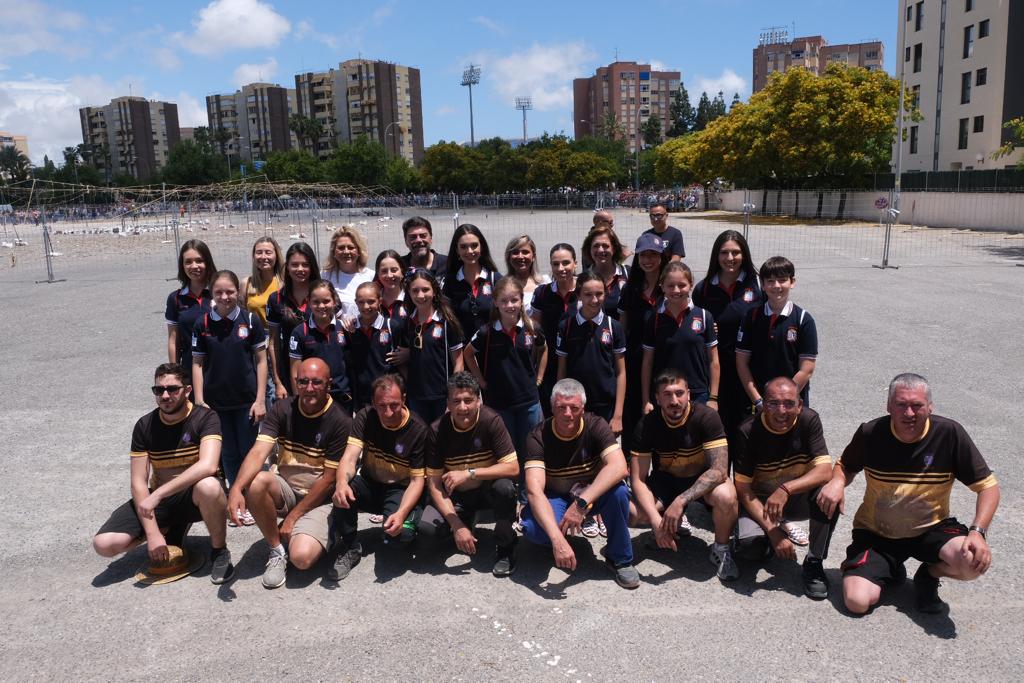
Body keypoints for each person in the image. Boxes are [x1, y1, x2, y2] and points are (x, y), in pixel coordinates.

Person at [818, 373, 1000, 615]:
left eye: (917, 406)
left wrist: (978, 532)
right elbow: (846, 466)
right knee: (857, 602)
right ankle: (891, 569)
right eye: (901, 405)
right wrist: (837, 482)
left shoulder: (949, 434)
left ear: (930, 407)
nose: (909, 413)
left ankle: (930, 573)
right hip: (877, 533)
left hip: (931, 529)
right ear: (889, 405)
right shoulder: (871, 432)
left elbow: (988, 486)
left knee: (972, 563)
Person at [93, 363, 234, 585]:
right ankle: (166, 528)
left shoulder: (206, 417)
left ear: (187, 391)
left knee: (209, 485)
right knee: (104, 544)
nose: (165, 395)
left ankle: (219, 551)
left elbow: (208, 465)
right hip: (161, 500)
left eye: (172, 389)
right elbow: (138, 482)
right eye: (159, 390)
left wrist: (158, 495)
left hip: (194, 498)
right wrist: (152, 533)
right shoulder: (144, 425)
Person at [226, 359, 352, 588]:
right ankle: (276, 551)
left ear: (329, 385)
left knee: (302, 559)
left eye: (317, 382)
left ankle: (335, 532)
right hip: (288, 488)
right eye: (303, 382)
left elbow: (328, 480)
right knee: (256, 482)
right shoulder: (282, 409)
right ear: (296, 382)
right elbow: (258, 453)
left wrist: (293, 517)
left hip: (321, 498)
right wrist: (236, 488)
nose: (309, 388)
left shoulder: (340, 420)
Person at [520, 379, 639, 589]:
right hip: (555, 496)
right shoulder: (537, 436)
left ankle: (620, 558)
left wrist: (581, 504)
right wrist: (557, 540)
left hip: (588, 494)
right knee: (533, 529)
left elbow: (619, 467)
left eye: (574, 408)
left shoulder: (596, 425)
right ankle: (558, 539)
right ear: (552, 407)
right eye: (561, 407)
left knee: (619, 493)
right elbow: (533, 490)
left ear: (582, 408)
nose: (568, 414)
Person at [628, 370, 739, 581]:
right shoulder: (647, 424)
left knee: (727, 496)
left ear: (689, 394)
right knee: (632, 513)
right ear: (657, 398)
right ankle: (665, 527)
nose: (674, 400)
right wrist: (654, 521)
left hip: (702, 480)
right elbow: (638, 479)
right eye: (667, 394)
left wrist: (681, 500)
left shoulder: (707, 417)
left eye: (679, 393)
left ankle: (721, 548)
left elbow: (720, 470)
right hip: (666, 481)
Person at [733, 377, 837, 599]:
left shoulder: (809, 420)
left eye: (789, 403)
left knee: (831, 495)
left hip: (795, 496)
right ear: (763, 404)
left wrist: (786, 489)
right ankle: (772, 532)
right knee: (749, 549)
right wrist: (773, 532)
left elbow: (824, 471)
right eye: (773, 403)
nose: (781, 411)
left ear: (800, 405)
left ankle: (814, 561)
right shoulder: (747, 430)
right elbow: (743, 489)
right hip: (762, 501)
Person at [331, 374, 434, 580]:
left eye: (394, 405)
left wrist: (402, 513)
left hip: (401, 488)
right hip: (370, 482)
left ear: (404, 399)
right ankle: (351, 546)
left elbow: (416, 481)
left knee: (398, 538)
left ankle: (411, 518)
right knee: (343, 490)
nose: (387, 413)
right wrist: (341, 483)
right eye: (381, 406)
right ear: (373, 403)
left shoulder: (419, 429)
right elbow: (350, 457)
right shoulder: (364, 416)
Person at [425, 372, 520, 576]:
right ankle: (464, 520)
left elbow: (513, 468)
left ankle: (505, 546)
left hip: (486, 491)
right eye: (456, 401)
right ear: (448, 404)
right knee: (426, 530)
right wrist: (456, 525)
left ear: (479, 401)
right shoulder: (437, 430)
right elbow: (433, 484)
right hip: (456, 494)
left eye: (468, 400)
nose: (462, 408)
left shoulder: (491, 420)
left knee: (505, 488)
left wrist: (470, 473)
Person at [191, 270, 268, 488]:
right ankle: (236, 496)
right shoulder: (202, 323)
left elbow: (262, 362)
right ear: (212, 294)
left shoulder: (250, 320)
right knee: (228, 453)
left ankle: (253, 496)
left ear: (238, 292)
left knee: (248, 450)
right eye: (219, 292)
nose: (225, 297)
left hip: (247, 400)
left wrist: (260, 400)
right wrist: (199, 400)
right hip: (216, 402)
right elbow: (197, 363)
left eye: (230, 292)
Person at [464, 276, 546, 465]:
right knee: (507, 451)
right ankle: (510, 491)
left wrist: (539, 377)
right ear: (495, 302)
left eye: (514, 300)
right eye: (504, 301)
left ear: (521, 300)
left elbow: (544, 349)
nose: (510, 305)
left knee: (530, 450)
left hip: (529, 402)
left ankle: (527, 492)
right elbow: (468, 353)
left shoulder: (531, 328)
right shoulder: (487, 332)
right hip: (499, 403)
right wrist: (480, 381)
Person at [692, 230, 762, 441]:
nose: (730, 258)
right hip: (715, 370)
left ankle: (741, 475)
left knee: (745, 433)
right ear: (716, 255)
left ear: (745, 255)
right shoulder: (703, 289)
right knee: (717, 432)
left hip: (749, 372)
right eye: (724, 253)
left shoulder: (757, 285)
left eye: (736, 252)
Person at [736, 256, 817, 407]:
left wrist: (782, 400)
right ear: (763, 284)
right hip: (758, 401)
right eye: (770, 281)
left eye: (782, 280)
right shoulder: (751, 317)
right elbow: (741, 363)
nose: (776, 286)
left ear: (792, 282)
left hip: (791, 402)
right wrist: (759, 401)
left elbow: (807, 369)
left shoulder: (804, 320)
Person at [640, 261, 720, 408]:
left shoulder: (704, 316)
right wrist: (646, 400)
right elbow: (647, 363)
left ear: (691, 284)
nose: (676, 290)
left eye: (682, 285)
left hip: (698, 393)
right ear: (662, 286)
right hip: (666, 392)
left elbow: (713, 361)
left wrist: (713, 398)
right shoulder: (655, 319)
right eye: (670, 285)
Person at [556, 270, 626, 434]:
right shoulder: (565, 326)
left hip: (606, 406)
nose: (594, 300)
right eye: (588, 294)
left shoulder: (613, 326)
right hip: (575, 404)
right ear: (579, 295)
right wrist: (562, 403)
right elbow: (561, 371)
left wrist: (618, 415)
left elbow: (621, 372)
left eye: (599, 294)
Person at [618, 233, 668, 456]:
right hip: (635, 361)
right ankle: (631, 465)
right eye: (643, 255)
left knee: (662, 414)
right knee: (634, 414)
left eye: (653, 255)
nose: (648, 260)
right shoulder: (630, 290)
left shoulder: (669, 288)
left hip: (664, 360)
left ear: (662, 257)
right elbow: (623, 328)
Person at [405, 268, 464, 424]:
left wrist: (454, 395)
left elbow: (458, 362)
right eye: (415, 290)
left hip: (442, 396)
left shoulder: (446, 322)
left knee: (442, 441)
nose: (420, 295)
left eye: (425, 290)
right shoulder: (408, 323)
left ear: (435, 291)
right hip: (416, 397)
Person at [288, 279, 352, 413]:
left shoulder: (345, 329)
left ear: (334, 301)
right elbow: (295, 372)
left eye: (326, 301)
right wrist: (300, 401)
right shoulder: (300, 332)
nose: (321, 306)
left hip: (342, 398)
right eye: (316, 302)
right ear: (308, 302)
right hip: (313, 398)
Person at [530, 243, 577, 417]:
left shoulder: (585, 291)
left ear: (575, 263)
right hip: (550, 367)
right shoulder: (542, 293)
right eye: (555, 264)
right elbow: (537, 335)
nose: (561, 268)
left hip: (579, 365)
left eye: (566, 263)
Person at [267, 242, 319, 400]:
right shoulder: (276, 299)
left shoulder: (323, 294)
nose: (300, 269)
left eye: (305, 264)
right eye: (295, 265)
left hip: (320, 369)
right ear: (287, 268)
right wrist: (277, 382)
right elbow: (273, 343)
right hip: (289, 370)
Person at [347, 281, 409, 413]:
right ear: (355, 302)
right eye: (361, 302)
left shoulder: (392, 326)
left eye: (371, 301)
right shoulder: (351, 329)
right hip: (362, 395)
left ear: (380, 301)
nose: (366, 306)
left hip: (387, 394)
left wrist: (406, 387)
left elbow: (401, 362)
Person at [241, 236, 284, 404]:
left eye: (268, 252)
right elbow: (242, 314)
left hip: (278, 339)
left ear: (276, 255)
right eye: (259, 252)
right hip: (255, 342)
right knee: (262, 387)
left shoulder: (283, 283)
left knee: (277, 386)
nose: (263, 256)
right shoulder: (247, 284)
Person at [165, 240, 216, 381]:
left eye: (199, 260)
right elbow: (173, 340)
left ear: (208, 262)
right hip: (189, 369)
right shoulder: (175, 298)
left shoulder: (221, 294)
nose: (194, 266)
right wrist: (174, 372)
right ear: (182, 266)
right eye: (188, 262)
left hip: (220, 368)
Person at [442, 224, 502, 338]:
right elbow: (447, 320)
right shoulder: (449, 282)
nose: (470, 251)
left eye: (474, 245)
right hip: (462, 351)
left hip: (492, 350)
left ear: (481, 247)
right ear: (457, 250)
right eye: (463, 247)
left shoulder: (496, 279)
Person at [321, 225, 375, 320]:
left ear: (359, 251)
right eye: (341, 248)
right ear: (333, 252)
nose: (346, 252)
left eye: (351, 247)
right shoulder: (324, 276)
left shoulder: (371, 276)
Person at [580, 225, 628, 319]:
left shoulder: (628, 274)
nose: (600, 250)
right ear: (589, 249)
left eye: (605, 246)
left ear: (614, 248)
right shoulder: (582, 280)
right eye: (596, 246)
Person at [504, 234, 549, 300]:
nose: (520, 256)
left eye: (525, 252)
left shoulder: (545, 283)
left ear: (533, 256)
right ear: (509, 257)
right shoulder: (502, 285)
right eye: (515, 252)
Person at [374, 249, 408, 320]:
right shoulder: (372, 299)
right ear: (378, 274)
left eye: (394, 270)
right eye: (384, 271)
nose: (389, 275)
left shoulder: (411, 299)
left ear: (402, 272)